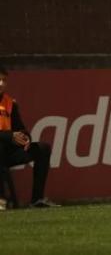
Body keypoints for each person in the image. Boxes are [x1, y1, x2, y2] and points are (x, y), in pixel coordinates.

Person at [0, 66, 59, 208]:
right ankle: (1, 198)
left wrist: (26, 139)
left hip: (7, 151)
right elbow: (10, 135)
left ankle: (37, 199)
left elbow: (21, 129)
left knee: (43, 149)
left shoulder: (9, 103)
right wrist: (10, 136)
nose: (1, 83)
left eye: (4, 80)